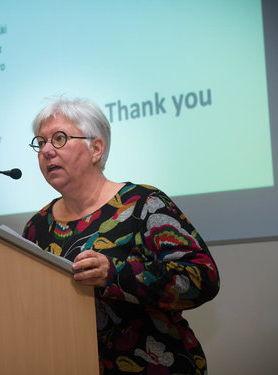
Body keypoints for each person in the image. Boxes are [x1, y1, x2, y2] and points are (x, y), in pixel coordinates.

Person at [22, 97, 220, 375]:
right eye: (40, 142)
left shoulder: (143, 204)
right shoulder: (37, 226)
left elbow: (202, 278)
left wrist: (115, 275)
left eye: (59, 138)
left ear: (96, 149)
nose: (47, 151)